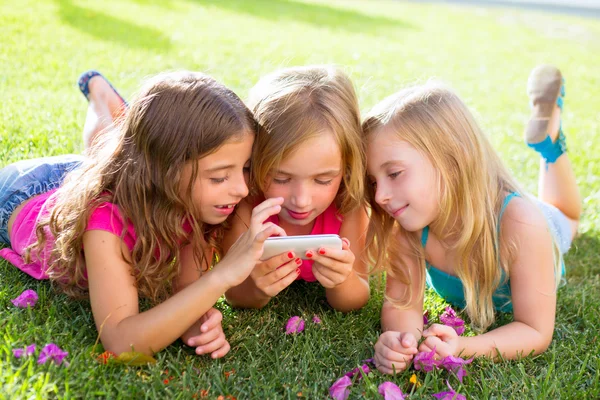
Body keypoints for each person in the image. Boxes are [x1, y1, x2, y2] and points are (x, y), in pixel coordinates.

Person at [0, 71, 286, 357]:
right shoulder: (104, 224)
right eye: (219, 177)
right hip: (22, 192)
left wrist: (195, 320)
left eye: (244, 168)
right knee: (102, 155)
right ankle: (102, 98)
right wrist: (221, 276)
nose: (242, 189)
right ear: (166, 173)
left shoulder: (197, 202)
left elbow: (186, 288)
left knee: (105, 153)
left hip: (94, 175)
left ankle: (106, 102)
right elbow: (121, 341)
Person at [365, 65, 580, 374]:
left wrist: (463, 347)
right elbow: (401, 306)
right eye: (374, 181)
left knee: (568, 218)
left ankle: (550, 146)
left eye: (394, 174)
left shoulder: (523, 226)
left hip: (535, 223)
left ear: (452, 160)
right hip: (492, 211)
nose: (380, 196)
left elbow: (535, 330)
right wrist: (402, 340)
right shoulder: (408, 229)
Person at [223, 66, 370, 312]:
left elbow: (356, 298)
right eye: (280, 178)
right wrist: (256, 289)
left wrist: (341, 281)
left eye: (323, 180)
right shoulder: (247, 204)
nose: (301, 200)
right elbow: (234, 294)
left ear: (345, 169)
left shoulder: (349, 205)